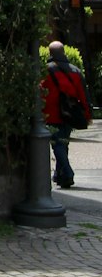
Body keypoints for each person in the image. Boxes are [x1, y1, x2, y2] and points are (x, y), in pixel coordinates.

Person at [41, 41, 92, 190]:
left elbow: (40, 93)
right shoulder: (75, 71)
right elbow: (83, 95)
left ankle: (67, 173)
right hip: (69, 114)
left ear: (50, 53)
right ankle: (60, 175)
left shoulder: (45, 71)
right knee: (63, 143)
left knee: (57, 144)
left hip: (51, 114)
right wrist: (87, 114)